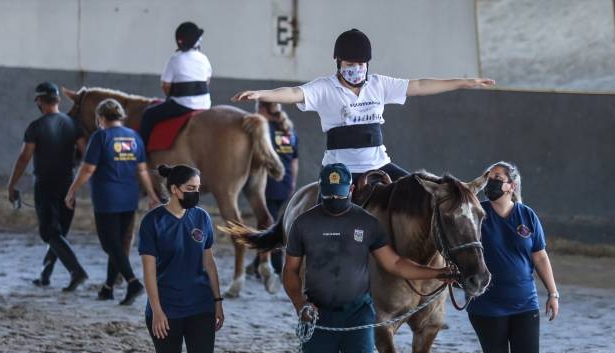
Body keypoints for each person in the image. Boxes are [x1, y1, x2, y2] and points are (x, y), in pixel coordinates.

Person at [283, 163, 454, 353]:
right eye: (329, 195)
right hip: (319, 313)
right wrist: (300, 304)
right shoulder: (304, 224)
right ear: (322, 191)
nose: (335, 200)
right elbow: (290, 271)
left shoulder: (367, 223)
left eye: (339, 194)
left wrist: (438, 273)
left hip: (358, 313)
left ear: (350, 191)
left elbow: (396, 264)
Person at [233, 28, 495, 184]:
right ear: (339, 63)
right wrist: (262, 93)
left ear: (367, 64)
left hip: (380, 165)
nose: (355, 69)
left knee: (425, 192)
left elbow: (420, 85)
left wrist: (463, 82)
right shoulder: (324, 88)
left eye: (360, 64)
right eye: (349, 64)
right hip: (339, 170)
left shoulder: (380, 85)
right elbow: (292, 92)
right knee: (323, 218)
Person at [138, 164, 231, 353]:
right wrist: (157, 310)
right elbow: (149, 271)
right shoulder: (152, 222)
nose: (196, 193)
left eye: (198, 188)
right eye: (190, 189)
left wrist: (217, 300)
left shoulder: (201, 217)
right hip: (167, 309)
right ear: (175, 189)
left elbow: (209, 262)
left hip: (200, 307)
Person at [466, 161, 560, 353]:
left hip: (524, 301)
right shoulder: (476, 214)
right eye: (489, 177)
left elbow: (540, 256)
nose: (492, 182)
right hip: (486, 302)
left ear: (512, 186)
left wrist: (553, 293)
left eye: (498, 178)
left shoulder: (527, 216)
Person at [65, 99, 161, 304]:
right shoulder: (134, 136)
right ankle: (108, 287)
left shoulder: (101, 137)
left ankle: (133, 282)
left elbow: (88, 169)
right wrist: (152, 194)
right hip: (129, 198)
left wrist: (72, 190)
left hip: (107, 199)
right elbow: (142, 169)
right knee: (117, 243)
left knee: (110, 244)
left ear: (101, 117)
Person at [7, 82, 88, 291]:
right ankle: (45, 274)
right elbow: (86, 154)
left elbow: (24, 157)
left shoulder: (36, 127)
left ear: (40, 102)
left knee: (50, 232)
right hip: (68, 184)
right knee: (59, 232)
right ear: (58, 100)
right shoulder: (73, 124)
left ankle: (76, 270)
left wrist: (12, 184)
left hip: (45, 185)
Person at [246, 101, 298, 276]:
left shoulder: (263, 128)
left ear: (262, 109)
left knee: (270, 225)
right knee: (272, 221)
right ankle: (256, 264)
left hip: (269, 181)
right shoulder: (288, 130)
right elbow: (294, 161)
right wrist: (292, 183)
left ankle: (276, 266)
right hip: (286, 182)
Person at [139, 22, 213, 145]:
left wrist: (173, 95)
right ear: (196, 42)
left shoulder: (175, 59)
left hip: (182, 105)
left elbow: (165, 86)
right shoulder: (204, 58)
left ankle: (140, 156)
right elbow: (207, 81)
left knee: (148, 114)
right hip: (205, 104)